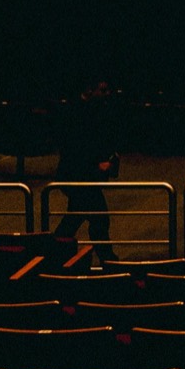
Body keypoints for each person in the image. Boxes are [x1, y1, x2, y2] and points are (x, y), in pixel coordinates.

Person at [52, 81, 121, 261]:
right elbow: (74, 147)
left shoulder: (89, 109)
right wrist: (97, 164)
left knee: (75, 218)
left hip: (80, 176)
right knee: (98, 219)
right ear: (90, 90)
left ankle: (52, 252)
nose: (107, 94)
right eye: (103, 90)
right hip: (77, 175)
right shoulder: (76, 112)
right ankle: (108, 259)